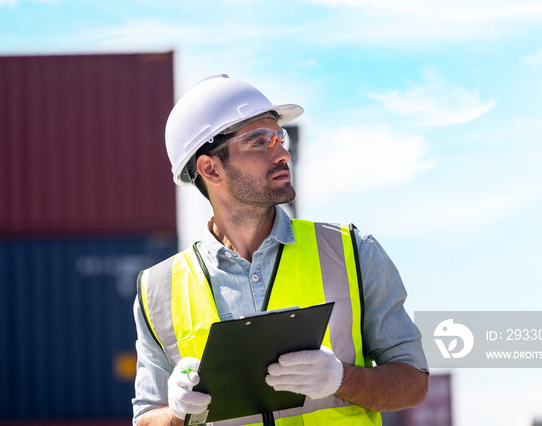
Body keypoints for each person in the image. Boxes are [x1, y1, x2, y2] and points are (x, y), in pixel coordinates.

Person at [132, 75, 429, 426]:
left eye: (280, 136)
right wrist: (179, 412)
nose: (283, 152)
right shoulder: (157, 290)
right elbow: (146, 418)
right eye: (259, 141)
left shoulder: (353, 252)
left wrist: (340, 378)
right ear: (210, 168)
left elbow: (413, 383)